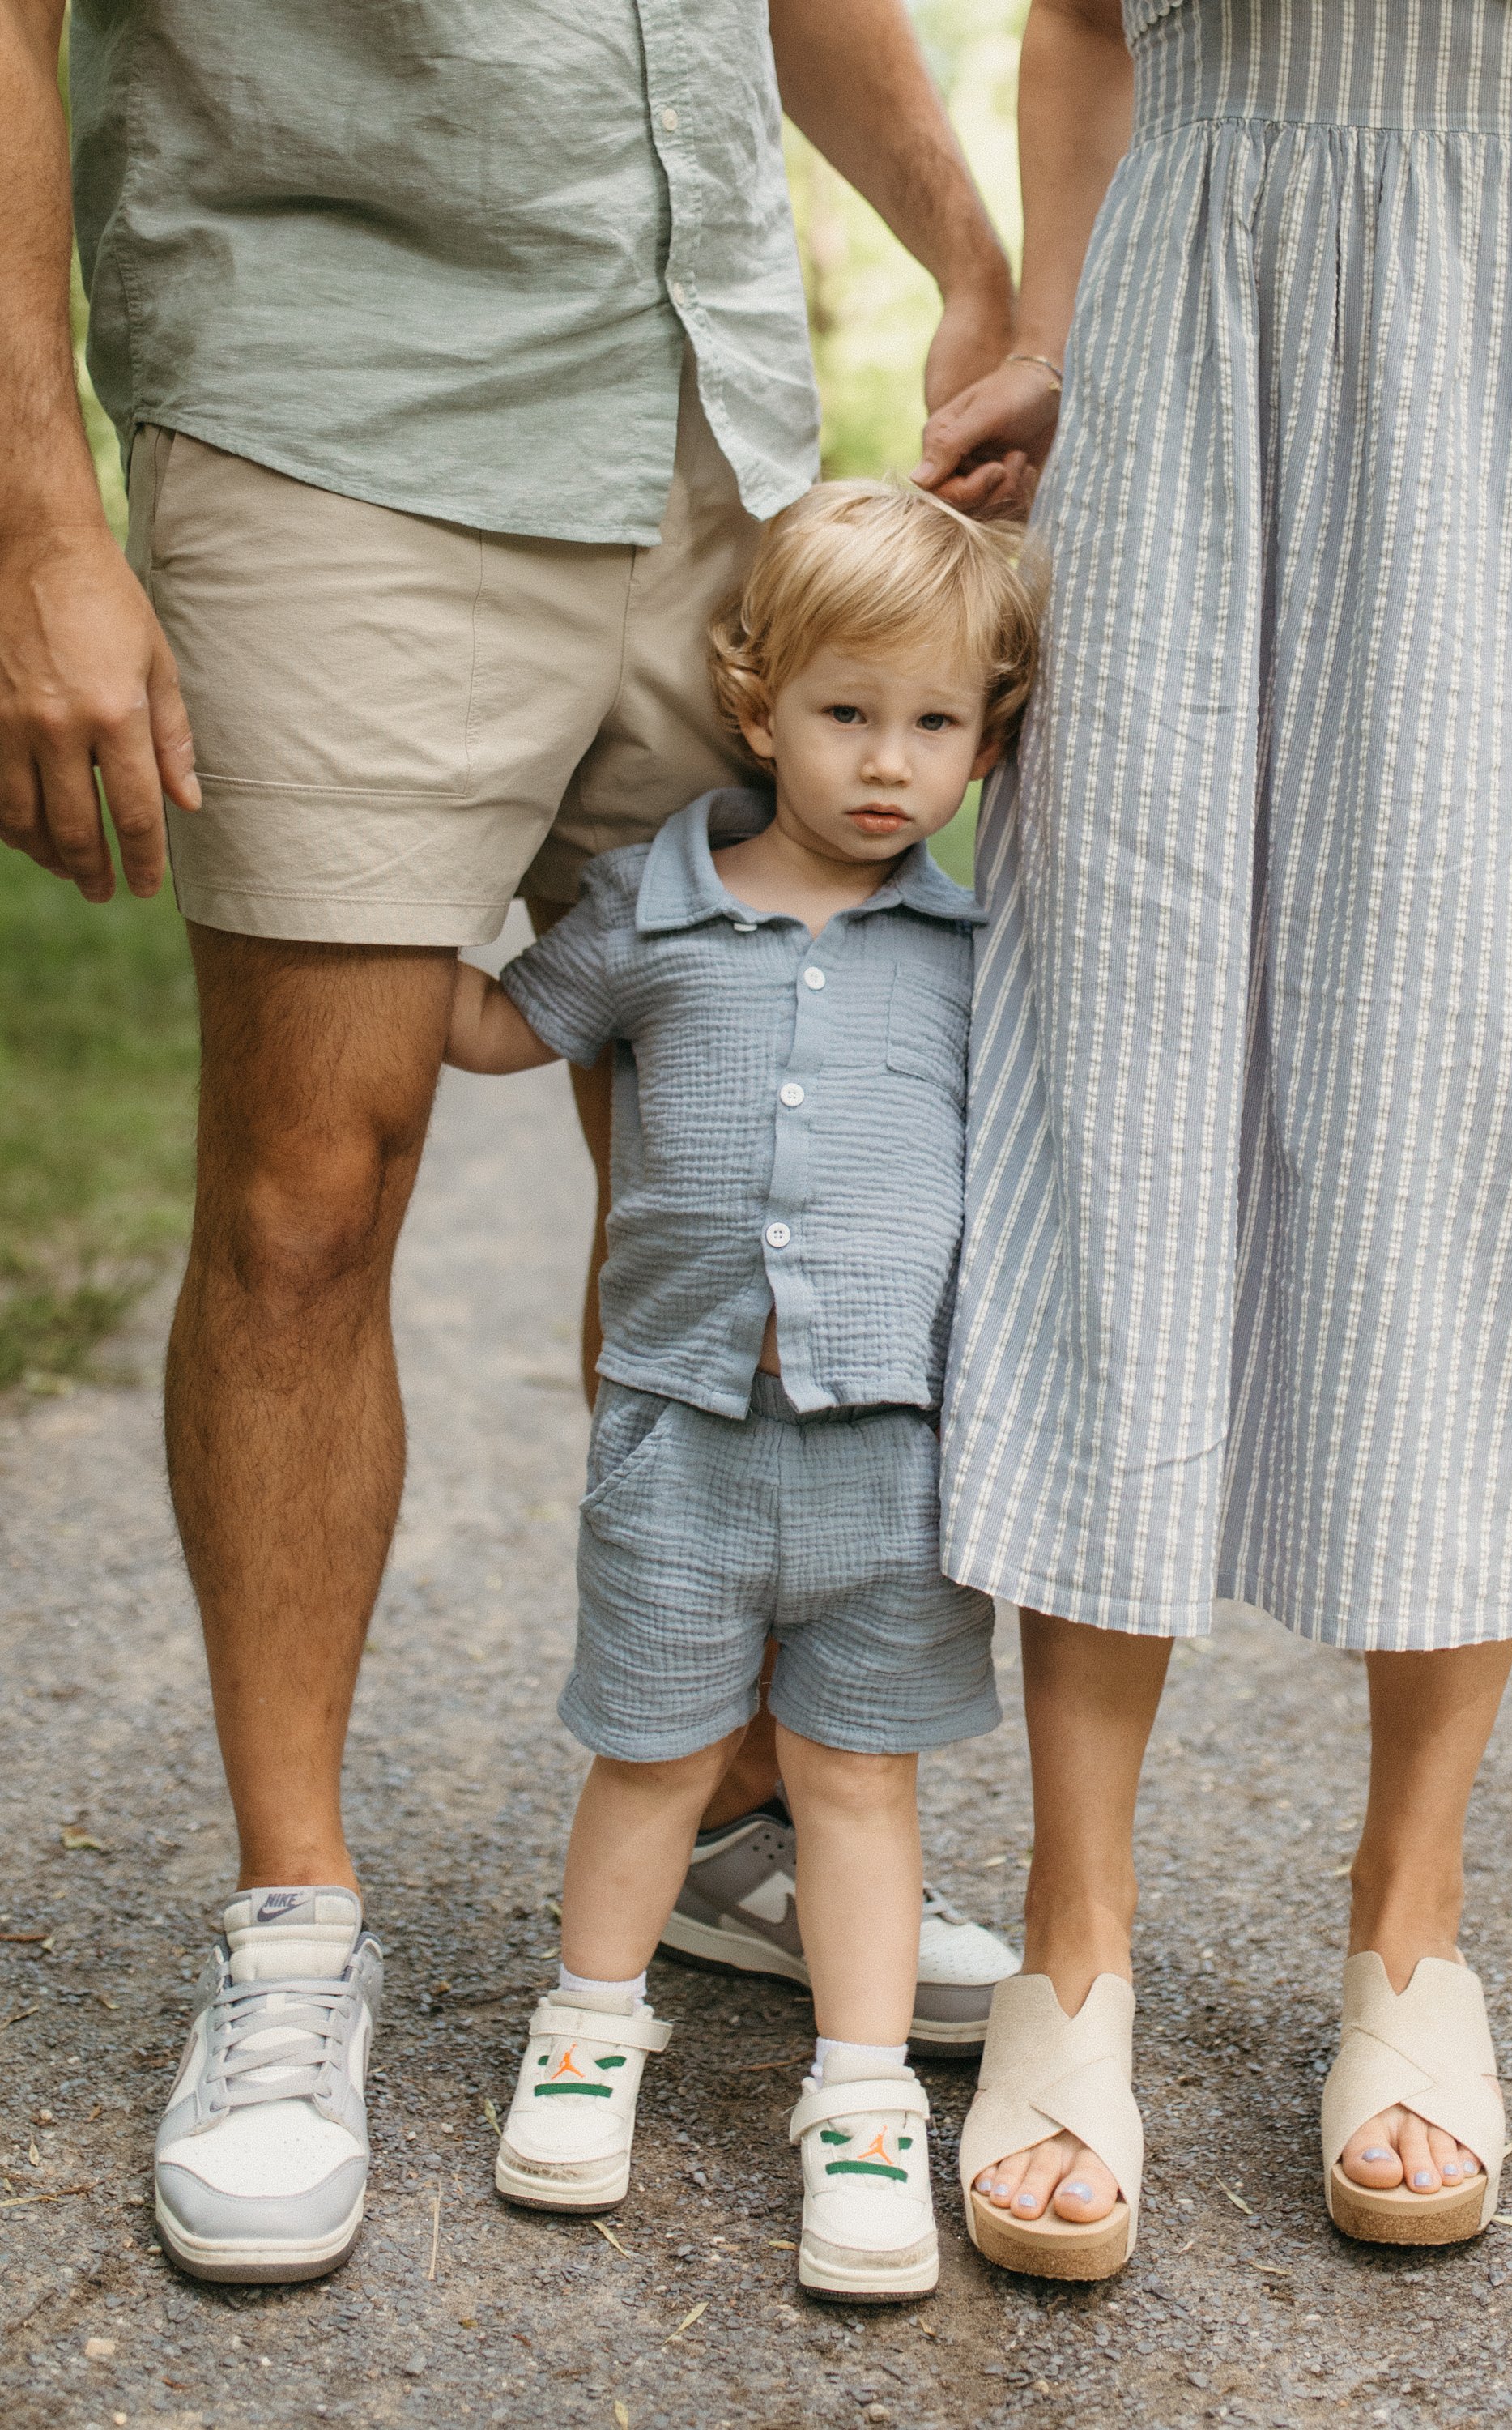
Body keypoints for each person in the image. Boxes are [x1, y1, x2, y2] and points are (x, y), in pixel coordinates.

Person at [0, 0, 1024, 2285]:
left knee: (726, 1132)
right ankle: (292, 1938)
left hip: (710, 431)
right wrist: (34, 508)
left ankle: (739, 1820)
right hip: (338, 419)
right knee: (309, 1189)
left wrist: (967, 251)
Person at [916, 0, 1512, 2275]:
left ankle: (1406, 1931)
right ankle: (1074, 1935)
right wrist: (1046, 326)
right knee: (1113, 1087)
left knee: (1475, 1110)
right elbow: (1082, 26)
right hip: (1183, 373)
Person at [441, 482, 1043, 2302]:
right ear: (753, 695)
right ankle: (588, 2029)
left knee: (857, 1781)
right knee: (654, 1755)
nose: (887, 762)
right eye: (847, 712)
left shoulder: (976, 960)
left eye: (934, 724)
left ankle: (859, 2101)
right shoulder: (648, 913)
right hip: (681, 1438)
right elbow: (491, 1029)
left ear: (984, 741)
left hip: (887, 1459)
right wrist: (386, 906)